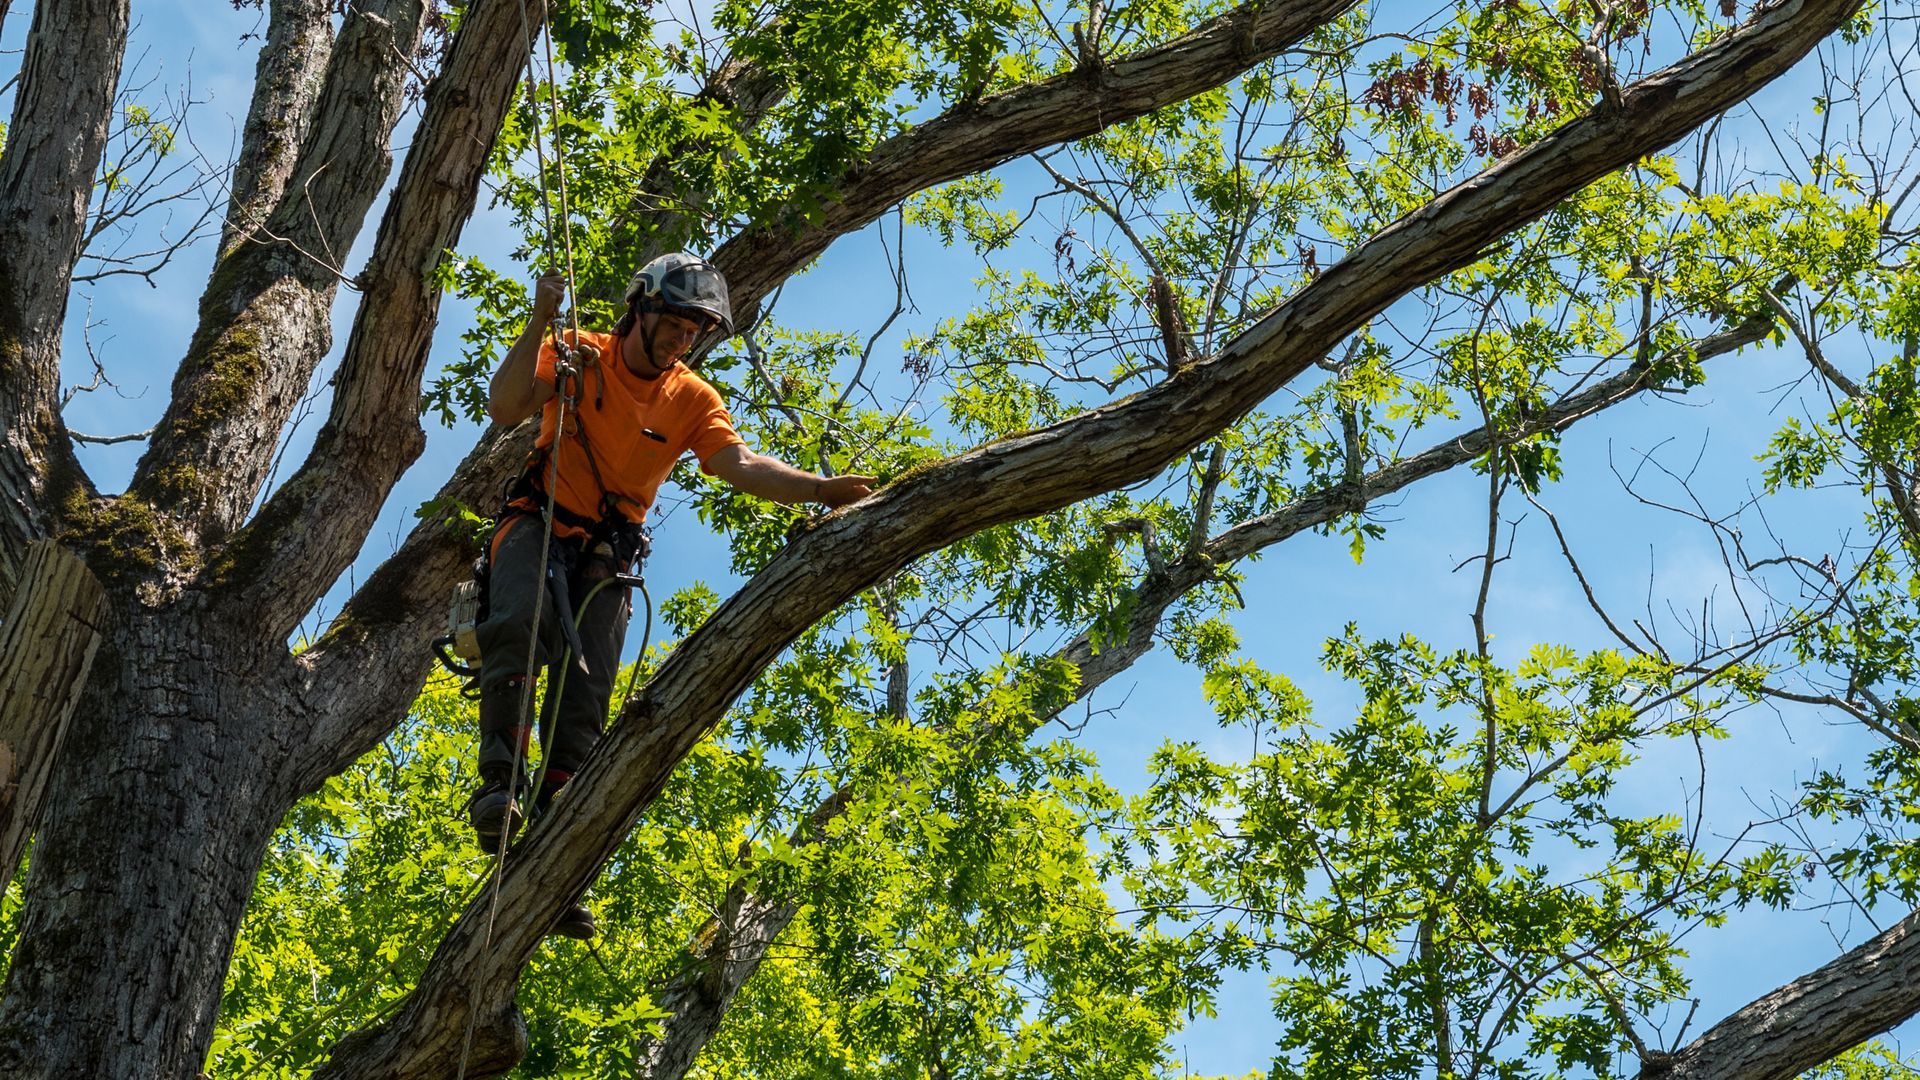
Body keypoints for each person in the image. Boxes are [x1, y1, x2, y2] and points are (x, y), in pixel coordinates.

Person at [470, 253, 874, 939]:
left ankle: (560, 858)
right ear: (642, 308)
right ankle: (500, 790)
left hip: (607, 553)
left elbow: (738, 464)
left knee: (587, 699)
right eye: (678, 323)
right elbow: (505, 406)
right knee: (519, 625)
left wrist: (817, 489)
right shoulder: (578, 355)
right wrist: (541, 319)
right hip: (538, 521)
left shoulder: (692, 399)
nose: (685, 339)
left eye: (697, 329)